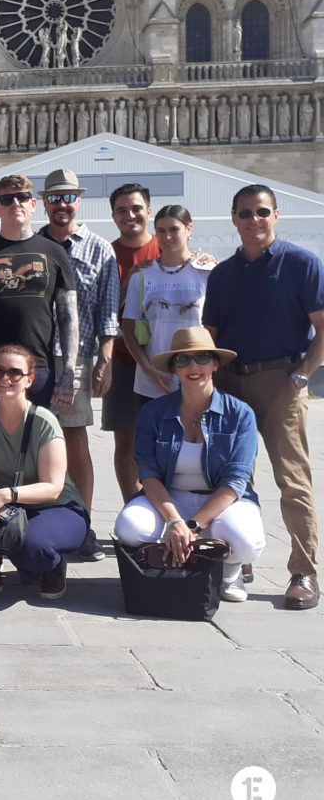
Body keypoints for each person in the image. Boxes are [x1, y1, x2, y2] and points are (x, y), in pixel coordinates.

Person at [203, 184, 324, 610]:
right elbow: (211, 336)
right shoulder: (222, 275)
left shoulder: (301, 263)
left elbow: (322, 325)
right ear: (233, 218)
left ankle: (304, 571)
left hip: (280, 381)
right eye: (246, 213)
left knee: (292, 480)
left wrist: (301, 376)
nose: (254, 221)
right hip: (232, 384)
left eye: (262, 212)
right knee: (236, 479)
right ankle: (241, 556)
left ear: (277, 215)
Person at [114, 328, 266, 603]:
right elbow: (147, 474)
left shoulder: (240, 414)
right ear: (174, 368)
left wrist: (193, 525)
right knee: (129, 527)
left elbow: (235, 480)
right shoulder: (153, 413)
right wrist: (174, 521)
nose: (193, 367)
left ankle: (229, 568)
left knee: (244, 539)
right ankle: (172, 558)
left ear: (215, 364)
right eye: (183, 360)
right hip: (171, 499)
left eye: (202, 358)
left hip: (223, 502)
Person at [0, 344, 89, 602]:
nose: (5, 378)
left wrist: (5, 495)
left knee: (31, 547)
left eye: (15, 372)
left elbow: (53, 487)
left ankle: (52, 564)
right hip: (3, 500)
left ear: (29, 379)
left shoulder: (44, 421)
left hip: (53, 506)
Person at [36, 169, 119, 561]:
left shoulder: (99, 248)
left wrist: (105, 357)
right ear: (45, 203)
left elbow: (108, 310)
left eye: (68, 197)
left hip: (77, 358)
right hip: (33, 357)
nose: (61, 205)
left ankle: (82, 523)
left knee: (74, 440)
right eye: (54, 198)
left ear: (79, 201)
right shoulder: (32, 247)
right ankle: (39, 520)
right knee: (34, 442)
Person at [0, 174, 78, 411]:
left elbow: (68, 316)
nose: (15, 203)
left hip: (37, 369)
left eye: (22, 197)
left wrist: (68, 375)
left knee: (36, 444)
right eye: (7, 199)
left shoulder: (54, 252)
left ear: (33, 204)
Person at [101, 185, 160, 502]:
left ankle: (167, 507)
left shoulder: (166, 248)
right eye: (122, 210)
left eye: (136, 208)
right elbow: (100, 310)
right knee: (125, 441)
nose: (130, 215)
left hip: (164, 361)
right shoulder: (107, 255)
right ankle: (132, 506)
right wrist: (128, 283)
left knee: (167, 438)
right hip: (123, 361)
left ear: (149, 210)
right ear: (113, 216)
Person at [122, 205, 211, 400]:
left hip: (197, 375)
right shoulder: (142, 277)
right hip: (154, 381)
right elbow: (128, 328)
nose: (167, 236)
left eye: (174, 229)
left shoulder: (207, 272)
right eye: (161, 231)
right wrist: (148, 369)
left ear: (189, 229)